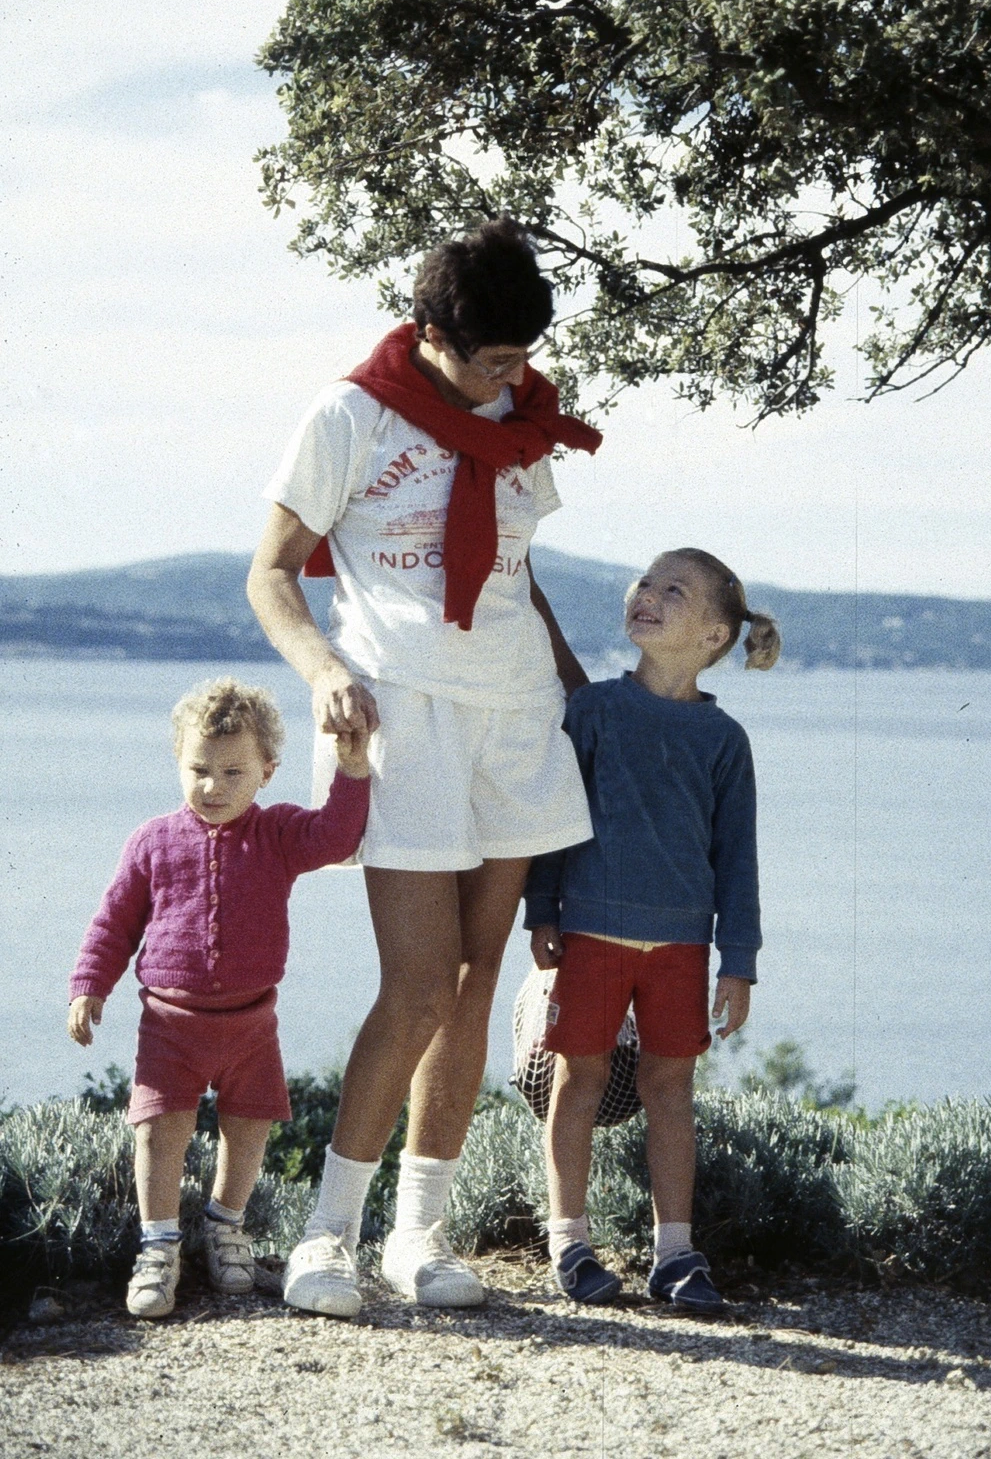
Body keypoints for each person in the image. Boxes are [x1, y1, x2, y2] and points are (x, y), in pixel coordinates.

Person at [247, 217, 601, 1318]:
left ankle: (419, 1236)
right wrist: (320, 671)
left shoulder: (523, 419)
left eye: (523, 357)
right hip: (399, 711)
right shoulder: (349, 414)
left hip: (516, 714)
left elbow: (514, 575)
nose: (511, 377)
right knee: (417, 985)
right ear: (432, 334)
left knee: (477, 979)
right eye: (493, 359)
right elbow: (270, 574)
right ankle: (325, 1237)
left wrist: (582, 694)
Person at [524, 549, 780, 1313]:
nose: (648, 595)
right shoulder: (594, 711)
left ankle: (675, 1254)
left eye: (675, 590)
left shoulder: (725, 740)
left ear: (713, 636)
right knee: (578, 1080)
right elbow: (557, 818)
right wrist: (542, 909)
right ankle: (569, 1242)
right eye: (646, 582)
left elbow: (737, 859)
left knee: (671, 1091)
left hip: (681, 948)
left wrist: (739, 961)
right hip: (592, 935)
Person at [67, 678, 370, 1320]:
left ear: (267, 772)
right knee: (160, 1129)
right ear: (178, 761)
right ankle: (159, 1246)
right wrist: (90, 986)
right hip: (169, 1022)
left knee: (250, 1125)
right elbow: (114, 922)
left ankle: (225, 1225)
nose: (213, 785)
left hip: (252, 1022)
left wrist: (351, 769)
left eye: (233, 772)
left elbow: (337, 837)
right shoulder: (152, 841)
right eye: (199, 769)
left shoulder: (279, 833)